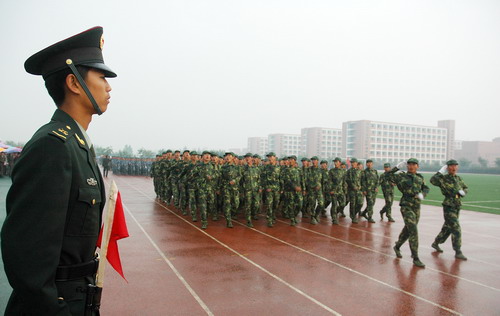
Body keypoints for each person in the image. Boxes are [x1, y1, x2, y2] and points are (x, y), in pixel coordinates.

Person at [1, 27, 116, 315]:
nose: (109, 86)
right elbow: (29, 265)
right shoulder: (52, 147)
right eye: (101, 77)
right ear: (74, 83)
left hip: (79, 298)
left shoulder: (78, 146)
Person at [391, 158, 430, 268]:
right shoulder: (401, 176)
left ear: (417, 166)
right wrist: (396, 168)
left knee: (408, 230)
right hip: (406, 205)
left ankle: (397, 246)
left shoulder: (420, 177)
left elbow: (426, 188)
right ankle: (415, 257)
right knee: (413, 229)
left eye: (413, 164)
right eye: (409, 164)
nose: (411, 166)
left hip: (416, 206)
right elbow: (387, 176)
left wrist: (423, 194)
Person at [430, 159, 468, 260]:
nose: (453, 168)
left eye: (455, 166)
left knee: (447, 227)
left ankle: (436, 243)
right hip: (448, 205)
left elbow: (465, 187)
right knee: (456, 228)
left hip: (457, 205)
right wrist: (440, 172)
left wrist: (463, 192)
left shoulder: (458, 178)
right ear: (447, 167)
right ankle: (458, 251)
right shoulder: (443, 178)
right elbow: (432, 180)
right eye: (451, 166)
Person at [345, 158, 363, 223]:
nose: (352, 164)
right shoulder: (349, 171)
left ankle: (354, 213)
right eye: (351, 162)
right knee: (352, 203)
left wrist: (362, 188)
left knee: (360, 203)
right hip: (351, 190)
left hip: (359, 190)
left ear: (356, 163)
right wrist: (353, 186)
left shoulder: (360, 171)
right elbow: (347, 180)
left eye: (354, 162)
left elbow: (362, 180)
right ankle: (353, 217)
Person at [361, 159, 378, 223]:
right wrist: (364, 190)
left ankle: (364, 212)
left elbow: (377, 180)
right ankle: (370, 217)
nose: (369, 164)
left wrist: (376, 187)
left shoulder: (375, 171)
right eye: (368, 163)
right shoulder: (364, 172)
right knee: (370, 203)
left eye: (370, 163)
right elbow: (363, 181)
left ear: (372, 164)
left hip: (374, 190)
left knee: (372, 203)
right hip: (368, 190)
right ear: (366, 164)